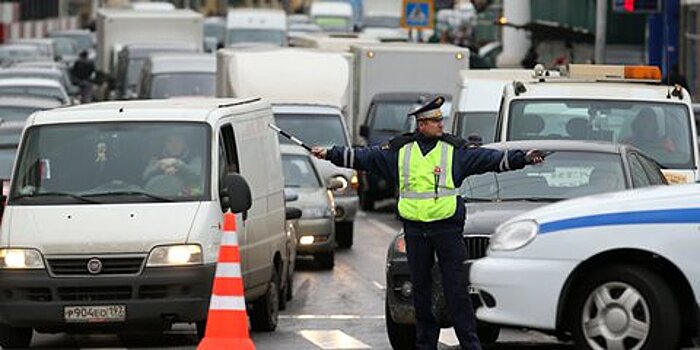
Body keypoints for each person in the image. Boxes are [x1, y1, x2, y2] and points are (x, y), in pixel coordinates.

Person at [311, 96, 544, 350]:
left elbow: (490, 160)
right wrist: (329, 153)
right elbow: (363, 157)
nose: (441, 125)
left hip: (447, 229)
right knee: (421, 294)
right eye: (435, 121)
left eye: (441, 119)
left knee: (456, 292)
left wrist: (524, 158)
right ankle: (426, 346)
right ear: (421, 125)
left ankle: (470, 345)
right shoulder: (400, 152)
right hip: (416, 231)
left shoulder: (453, 149)